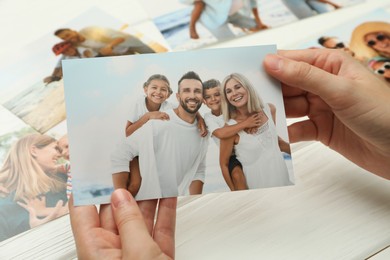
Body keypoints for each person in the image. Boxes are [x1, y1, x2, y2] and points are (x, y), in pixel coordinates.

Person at [70, 48, 390, 257]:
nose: (198, 96)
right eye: (190, 91)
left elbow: (201, 168)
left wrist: (192, 192)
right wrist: (123, 192)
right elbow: (121, 151)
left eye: (204, 92)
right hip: (163, 202)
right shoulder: (163, 122)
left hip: (245, 197)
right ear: (176, 95)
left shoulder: (216, 124)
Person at [111, 71, 209, 200]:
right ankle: (122, 202)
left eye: (163, 89)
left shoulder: (168, 107)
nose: (158, 92)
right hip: (135, 149)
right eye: (154, 88)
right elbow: (128, 133)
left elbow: (188, 108)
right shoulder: (139, 104)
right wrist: (147, 117)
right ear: (145, 89)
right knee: (135, 185)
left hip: (151, 151)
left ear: (169, 95)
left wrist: (200, 118)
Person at [219, 73, 291, 189]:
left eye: (238, 87)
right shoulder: (230, 129)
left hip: (284, 183)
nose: (234, 93)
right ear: (226, 98)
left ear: (247, 87)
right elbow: (224, 164)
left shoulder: (269, 109)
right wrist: (235, 193)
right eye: (229, 91)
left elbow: (274, 141)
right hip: (256, 189)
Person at [0, 134, 68, 241]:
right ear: (34, 151)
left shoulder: (65, 178)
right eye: (55, 148)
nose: (60, 154)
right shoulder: (4, 204)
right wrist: (33, 233)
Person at [202, 79, 262, 190]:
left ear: (224, 95)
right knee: (236, 175)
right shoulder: (208, 117)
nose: (213, 99)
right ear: (203, 101)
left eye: (217, 94)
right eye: (208, 97)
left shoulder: (233, 109)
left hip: (248, 148)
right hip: (230, 155)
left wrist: (249, 124)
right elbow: (221, 133)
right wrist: (246, 123)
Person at [183, 0, 268, 40]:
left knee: (260, 27)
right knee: (232, 41)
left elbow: (253, 3)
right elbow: (199, 5)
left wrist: (259, 21)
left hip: (232, 14)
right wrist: (192, 29)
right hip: (213, 19)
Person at [54, 27, 156, 56]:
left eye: (67, 35)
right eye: (64, 38)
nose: (67, 39)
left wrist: (109, 46)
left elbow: (121, 38)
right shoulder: (75, 44)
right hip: (121, 53)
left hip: (130, 43)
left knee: (154, 56)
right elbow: (64, 55)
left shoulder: (90, 30)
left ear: (74, 31)